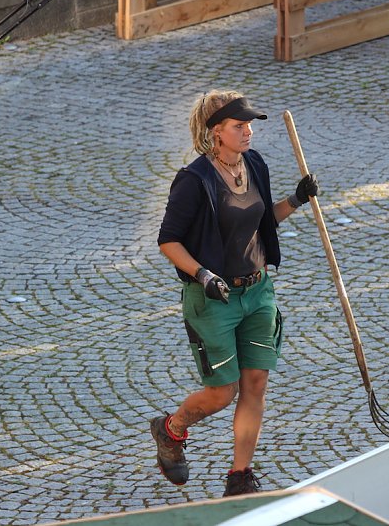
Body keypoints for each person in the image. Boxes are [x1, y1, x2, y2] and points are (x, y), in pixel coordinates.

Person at [153, 89, 319, 497]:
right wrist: (202, 274)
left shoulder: (254, 164)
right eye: (239, 125)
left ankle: (239, 477)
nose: (248, 132)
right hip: (214, 299)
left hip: (258, 291)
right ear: (216, 131)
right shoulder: (194, 180)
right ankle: (172, 429)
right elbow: (168, 240)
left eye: (249, 125)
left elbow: (262, 222)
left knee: (256, 381)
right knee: (222, 393)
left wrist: (296, 199)